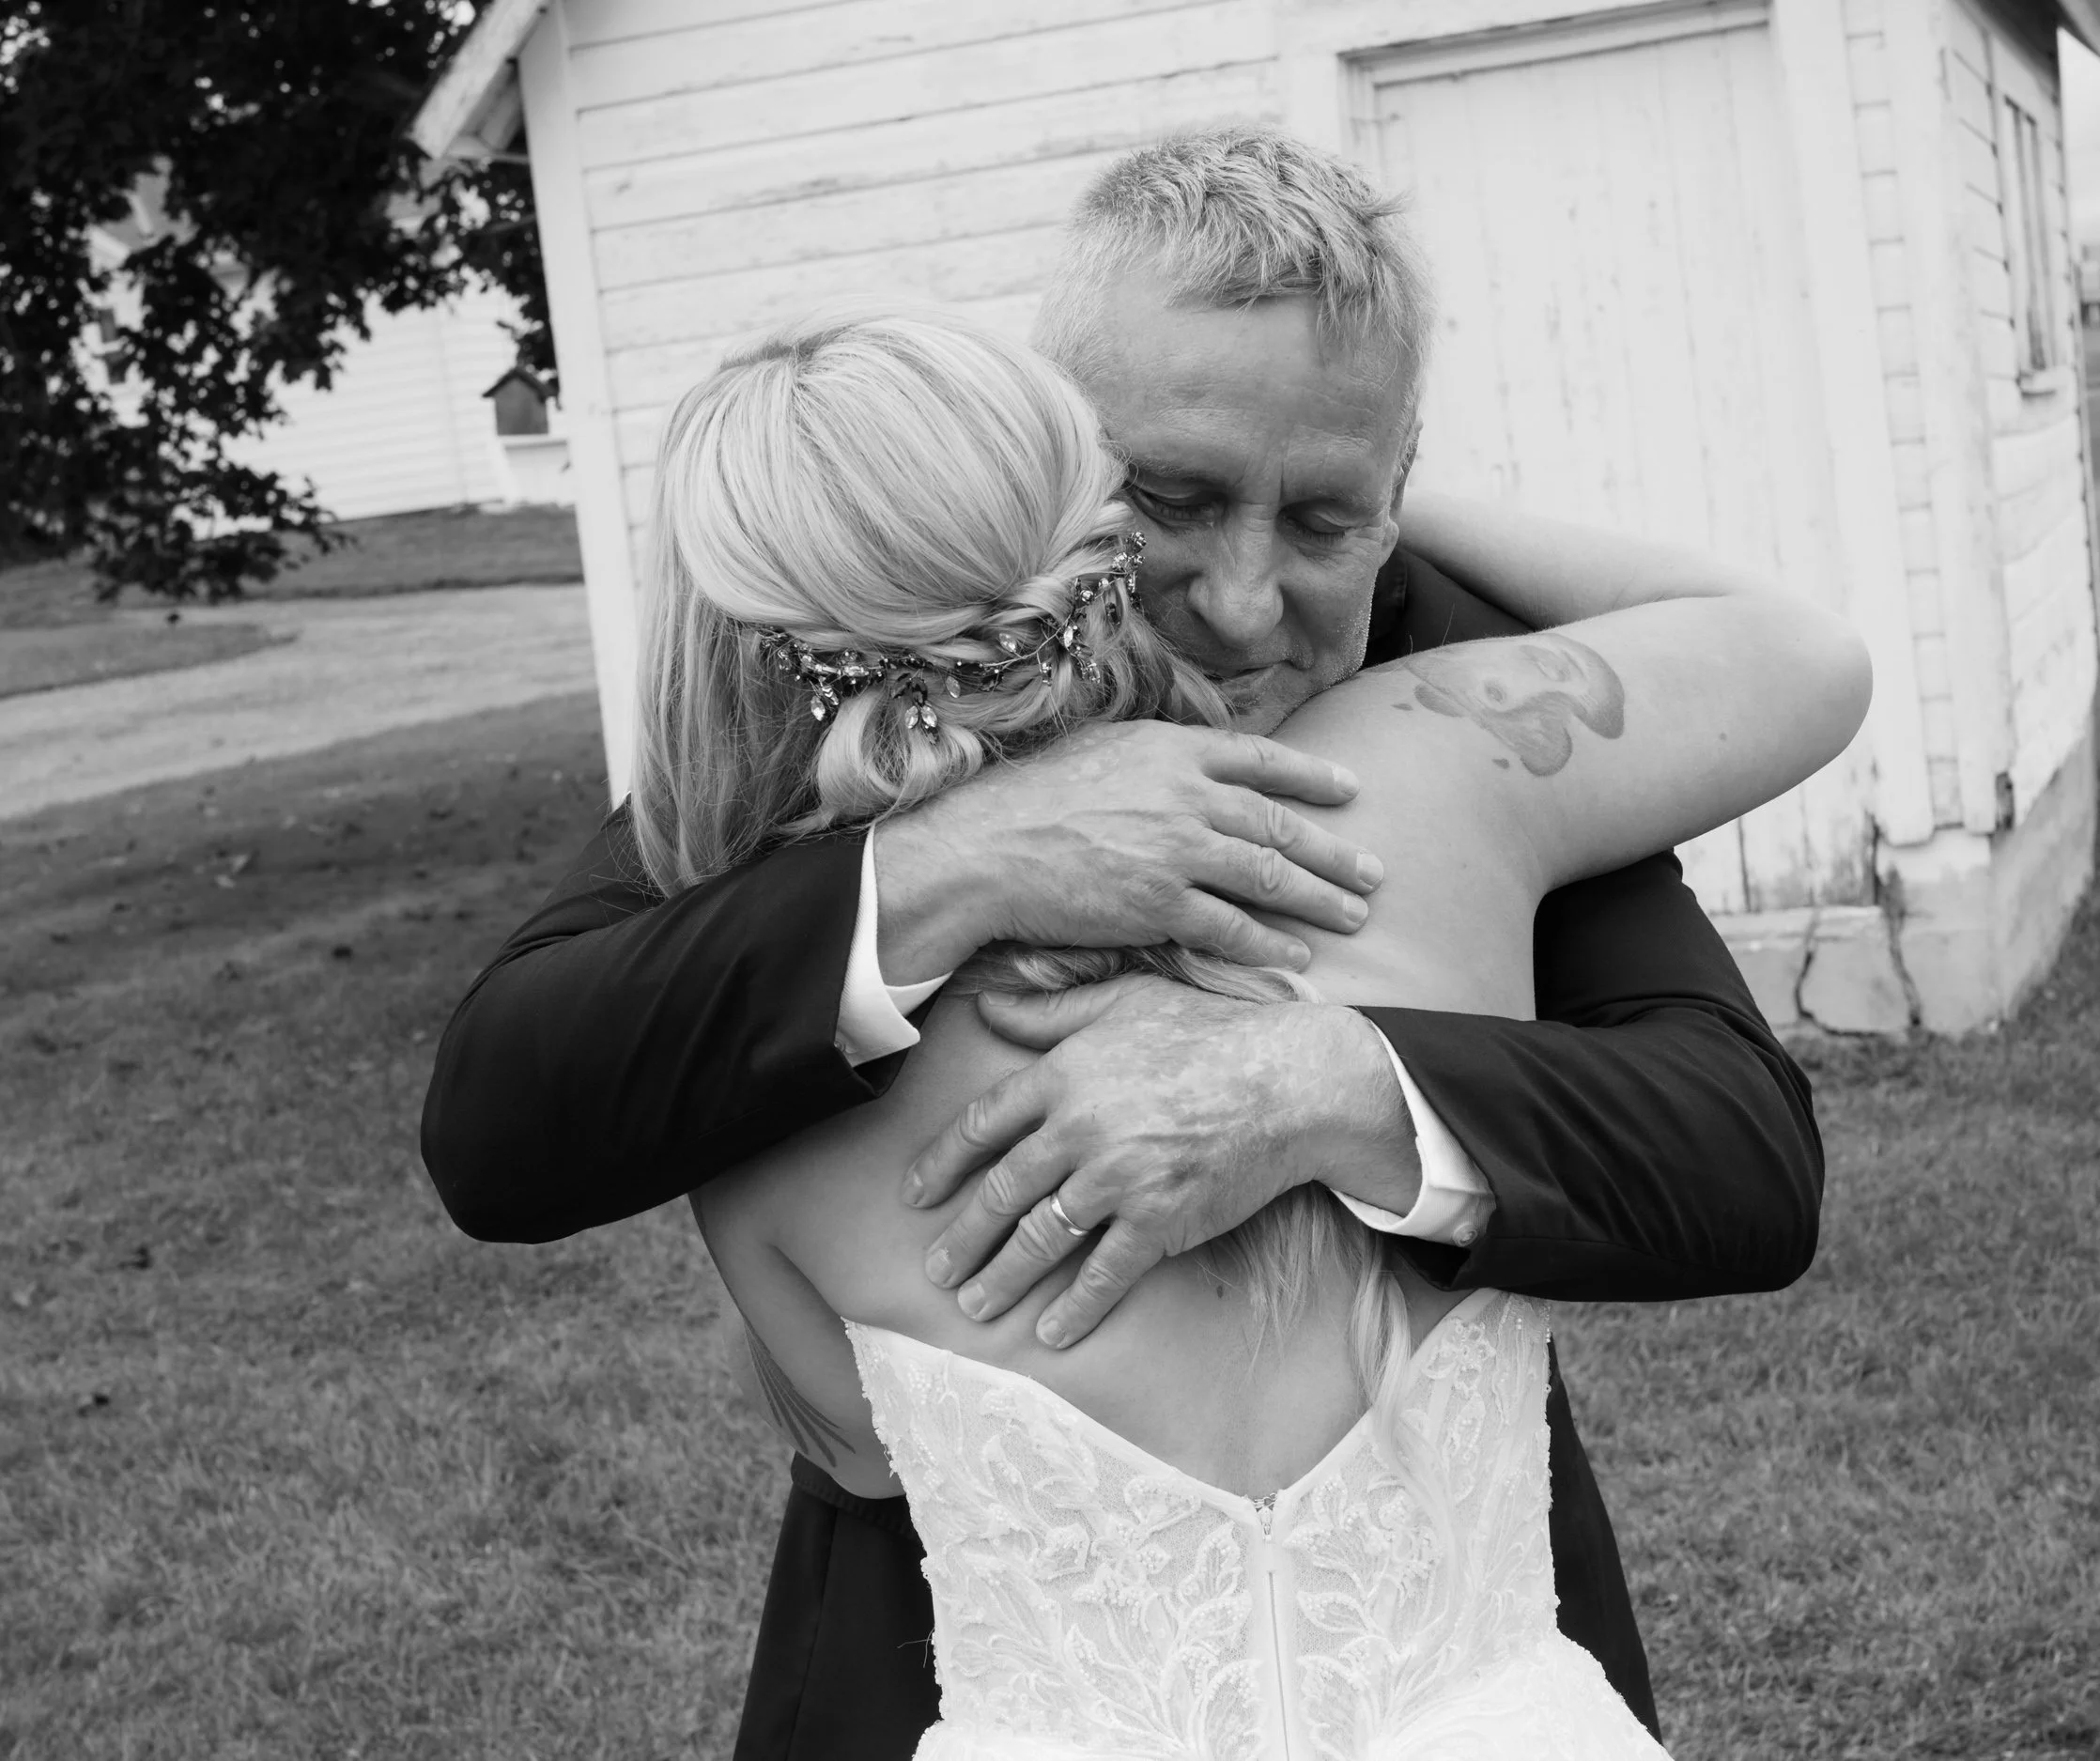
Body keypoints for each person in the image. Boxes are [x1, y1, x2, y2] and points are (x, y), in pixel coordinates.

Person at [419, 130, 1840, 1757]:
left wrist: (1323, 1082)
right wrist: (946, 869)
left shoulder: (1440, 691)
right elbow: (500, 1108)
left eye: (1325, 514)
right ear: (1055, 451)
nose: (1245, 604)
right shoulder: (787, 791)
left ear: (1399, 486)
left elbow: (1741, 1148)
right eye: (1172, 498)